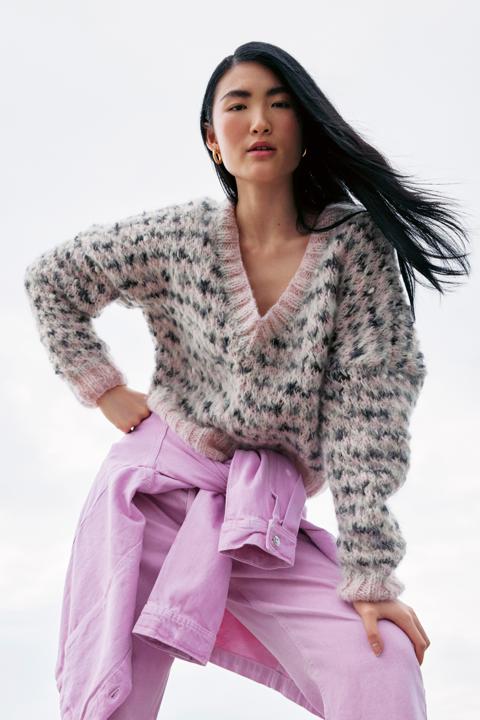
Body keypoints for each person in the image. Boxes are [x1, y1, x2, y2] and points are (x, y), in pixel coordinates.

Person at [24, 41, 470, 720]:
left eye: (279, 104)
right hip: (148, 496)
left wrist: (371, 575)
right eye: (238, 106)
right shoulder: (180, 237)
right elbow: (53, 279)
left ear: (304, 131)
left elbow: (368, 418)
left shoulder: (353, 252)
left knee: (377, 658)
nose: (259, 120)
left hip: (260, 515)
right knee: (109, 699)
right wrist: (103, 388)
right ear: (212, 137)